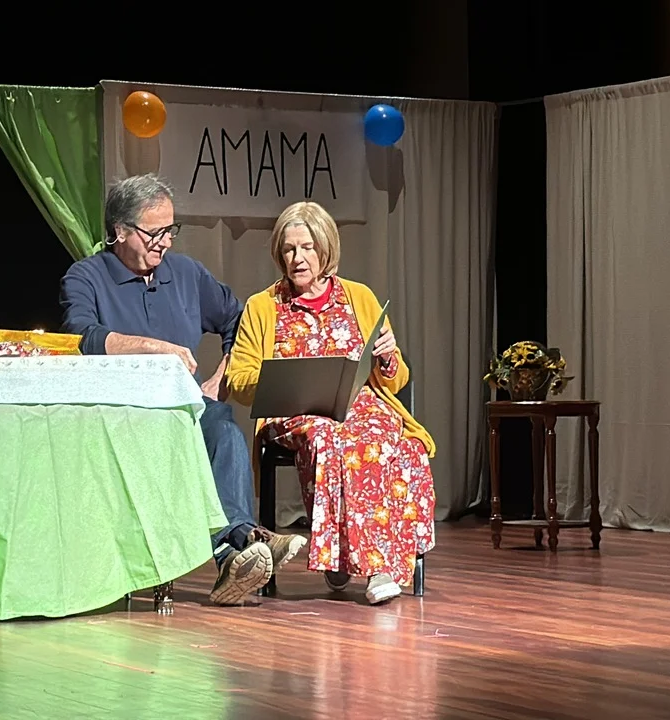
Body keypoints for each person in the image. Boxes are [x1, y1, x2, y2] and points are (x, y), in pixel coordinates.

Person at [60, 173, 307, 606]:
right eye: (154, 232)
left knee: (223, 427)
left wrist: (221, 378)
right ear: (120, 231)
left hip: (183, 408)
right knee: (204, 429)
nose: (166, 241)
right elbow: (80, 337)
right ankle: (241, 546)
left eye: (170, 230)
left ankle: (238, 546)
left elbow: (240, 321)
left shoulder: (187, 273)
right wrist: (154, 348)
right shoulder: (86, 276)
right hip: (119, 415)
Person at [225, 201, 437, 605]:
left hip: (361, 405)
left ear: (325, 249)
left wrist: (387, 356)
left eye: (307, 247)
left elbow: (395, 379)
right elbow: (239, 379)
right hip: (296, 411)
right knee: (329, 436)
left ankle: (359, 557)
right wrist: (279, 379)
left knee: (397, 443)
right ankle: (371, 566)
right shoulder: (262, 306)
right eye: (289, 249)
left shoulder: (359, 297)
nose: (297, 258)